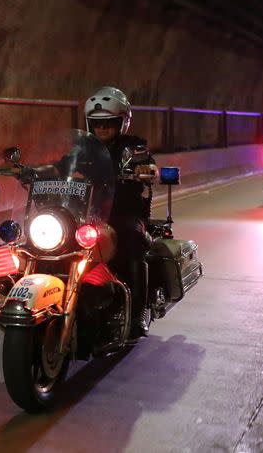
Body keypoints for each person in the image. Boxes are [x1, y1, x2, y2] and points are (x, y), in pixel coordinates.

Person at [83, 86, 158, 339]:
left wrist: (144, 170)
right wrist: (39, 170)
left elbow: (149, 166)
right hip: (91, 212)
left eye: (108, 124)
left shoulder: (133, 146)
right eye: (96, 124)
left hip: (124, 213)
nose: (101, 129)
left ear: (122, 123)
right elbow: (62, 163)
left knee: (133, 242)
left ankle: (138, 310)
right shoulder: (84, 147)